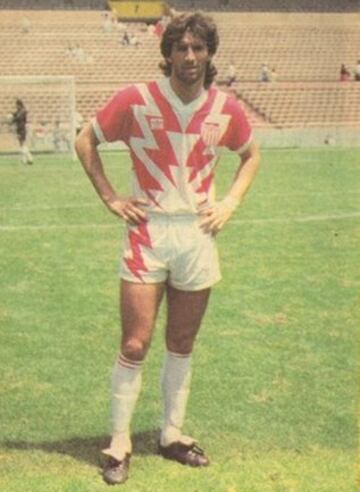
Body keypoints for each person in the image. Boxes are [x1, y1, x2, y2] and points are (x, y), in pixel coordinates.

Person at [75, 11, 260, 486]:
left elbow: (251, 154)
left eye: (199, 48)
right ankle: (119, 443)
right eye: (182, 47)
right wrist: (111, 196)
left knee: (181, 343)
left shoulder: (226, 107)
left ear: (209, 54)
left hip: (198, 234)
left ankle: (171, 435)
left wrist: (231, 203)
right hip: (148, 231)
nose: (190, 57)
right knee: (135, 343)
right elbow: (86, 140)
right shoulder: (136, 100)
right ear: (168, 53)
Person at [10, 99, 33, 165]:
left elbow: (18, 118)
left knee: (22, 144)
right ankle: (25, 160)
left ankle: (29, 158)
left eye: (16, 105)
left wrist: (12, 119)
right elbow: (15, 114)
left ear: (19, 105)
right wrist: (11, 115)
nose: (16, 106)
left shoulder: (23, 111)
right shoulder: (19, 111)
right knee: (21, 145)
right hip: (19, 129)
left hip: (22, 129)